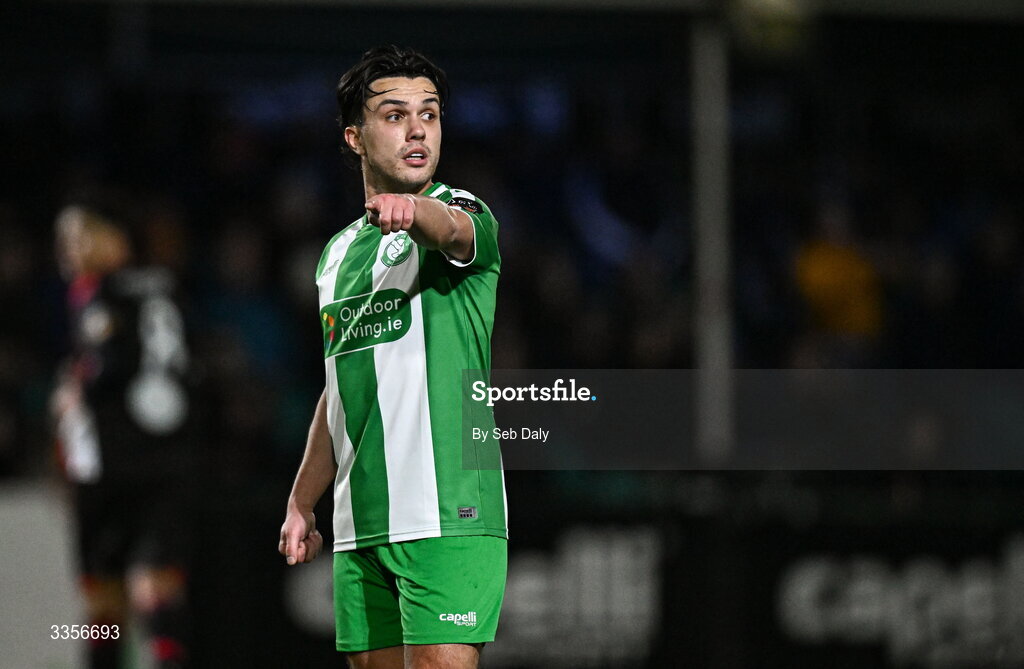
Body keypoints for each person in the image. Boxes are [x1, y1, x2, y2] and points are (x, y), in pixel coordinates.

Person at [278, 45, 507, 669]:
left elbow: (452, 230)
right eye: (395, 115)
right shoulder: (335, 256)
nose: (417, 130)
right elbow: (338, 386)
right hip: (361, 525)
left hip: (447, 514)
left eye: (429, 115)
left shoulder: (466, 214)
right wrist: (304, 500)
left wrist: (417, 212)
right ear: (354, 137)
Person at [51, 198, 198, 669]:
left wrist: (71, 391)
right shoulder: (167, 285)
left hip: (110, 461)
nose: (68, 253)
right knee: (159, 588)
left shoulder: (98, 292)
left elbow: (103, 370)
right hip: (170, 459)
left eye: (77, 240)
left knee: (103, 594)